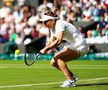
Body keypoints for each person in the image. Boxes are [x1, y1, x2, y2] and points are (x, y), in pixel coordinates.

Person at [40, 9, 88, 88]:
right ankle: (72, 76)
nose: (44, 24)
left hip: (80, 45)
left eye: (46, 22)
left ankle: (70, 80)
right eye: (43, 22)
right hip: (72, 45)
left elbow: (58, 41)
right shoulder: (52, 28)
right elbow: (51, 42)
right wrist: (44, 49)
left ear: (52, 20)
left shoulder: (60, 24)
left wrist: (46, 49)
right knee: (53, 62)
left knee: (58, 58)